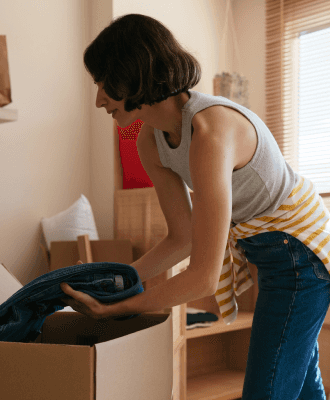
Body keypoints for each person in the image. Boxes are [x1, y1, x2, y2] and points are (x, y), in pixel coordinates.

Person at [60, 13, 330, 399]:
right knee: (298, 387)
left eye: (104, 82)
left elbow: (202, 276)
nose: (99, 98)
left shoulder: (209, 132)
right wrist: (116, 283)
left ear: (135, 73)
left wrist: (118, 309)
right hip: (269, 249)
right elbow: (182, 238)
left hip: (300, 251)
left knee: (266, 391)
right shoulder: (150, 142)